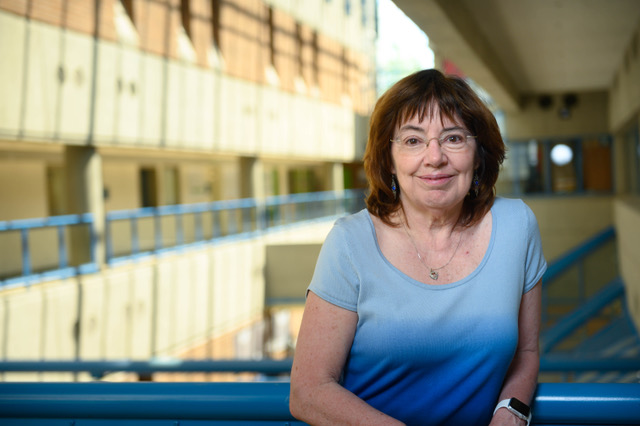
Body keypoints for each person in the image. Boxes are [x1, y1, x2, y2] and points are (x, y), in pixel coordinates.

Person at [289, 69, 546, 425]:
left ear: (478, 154)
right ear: (389, 160)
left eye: (454, 138)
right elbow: (308, 391)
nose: (435, 157)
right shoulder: (349, 242)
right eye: (413, 141)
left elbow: (527, 352)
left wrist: (511, 411)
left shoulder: (517, 226)